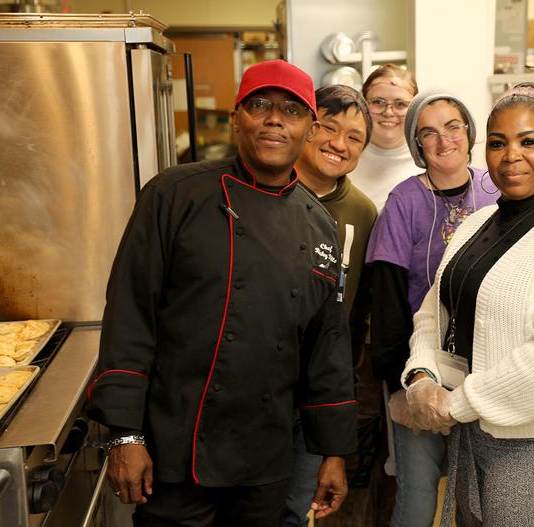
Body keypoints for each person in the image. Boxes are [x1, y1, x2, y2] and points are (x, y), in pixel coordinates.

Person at [87, 60, 358, 527]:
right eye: (260, 106)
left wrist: (333, 452)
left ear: (310, 129)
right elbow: (131, 314)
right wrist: (124, 435)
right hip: (174, 450)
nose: (275, 119)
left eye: (291, 111)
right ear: (237, 118)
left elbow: (326, 348)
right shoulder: (174, 195)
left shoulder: (320, 226)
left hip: (266, 460)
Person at [401, 84, 534, 527]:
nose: (511, 154)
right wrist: (421, 376)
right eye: (498, 143)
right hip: (473, 424)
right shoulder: (477, 222)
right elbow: (433, 310)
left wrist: (455, 405)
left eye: (529, 141)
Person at [366, 91, 499, 527]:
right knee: (419, 497)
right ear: (416, 145)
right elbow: (385, 300)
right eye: (429, 133)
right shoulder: (402, 202)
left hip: (487, 371)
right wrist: (399, 386)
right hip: (418, 371)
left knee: (476, 499)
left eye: (453, 127)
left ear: (469, 132)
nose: (444, 141)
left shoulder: (495, 190)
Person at [284, 84, 378, 527]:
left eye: (354, 137)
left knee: (297, 508)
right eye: (327, 127)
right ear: (305, 125)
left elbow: (356, 317)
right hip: (253, 392)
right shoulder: (262, 192)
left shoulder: (363, 212)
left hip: (319, 392)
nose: (338, 144)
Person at [349, 64, 420, 210]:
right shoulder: (343, 153)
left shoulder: (427, 162)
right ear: (362, 104)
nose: (388, 112)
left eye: (400, 104)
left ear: (414, 109)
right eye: (378, 102)